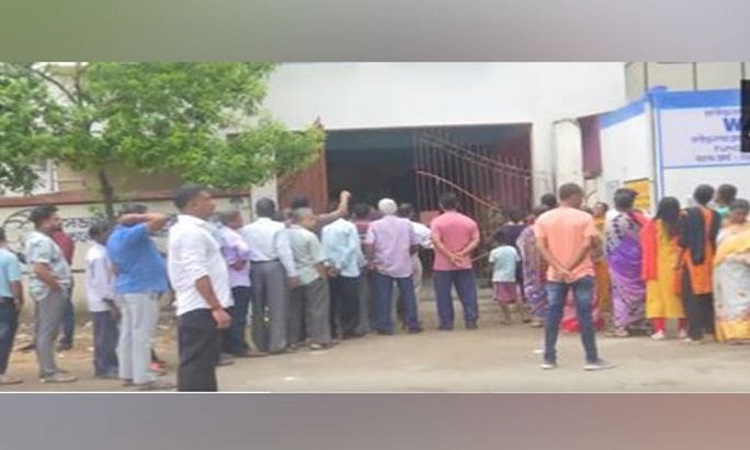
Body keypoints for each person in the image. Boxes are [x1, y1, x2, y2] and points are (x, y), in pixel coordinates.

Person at [534, 183, 613, 371]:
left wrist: (559, 268)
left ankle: (549, 358)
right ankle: (591, 359)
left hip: (555, 275)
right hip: (581, 272)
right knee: (584, 314)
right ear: (575, 196)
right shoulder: (585, 217)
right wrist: (569, 268)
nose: (583, 200)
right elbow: (587, 245)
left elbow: (540, 247)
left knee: (553, 315)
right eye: (581, 197)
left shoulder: (543, 219)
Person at [167, 185, 232, 391]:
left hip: (202, 306)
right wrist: (216, 307)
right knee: (197, 364)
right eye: (208, 199)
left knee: (204, 363)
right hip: (199, 306)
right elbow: (197, 272)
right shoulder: (190, 233)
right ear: (194, 204)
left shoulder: (195, 230)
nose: (213, 203)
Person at [107, 204, 173, 390]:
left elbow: (114, 267)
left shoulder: (114, 236)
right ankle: (144, 377)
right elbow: (162, 217)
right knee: (142, 334)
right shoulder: (132, 233)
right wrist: (136, 217)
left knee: (129, 333)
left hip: (128, 288)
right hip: (142, 289)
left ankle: (128, 373)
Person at [24, 205, 77, 383]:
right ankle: (49, 371)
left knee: (43, 330)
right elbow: (40, 269)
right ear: (44, 221)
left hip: (44, 289)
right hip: (49, 291)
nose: (58, 222)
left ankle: (48, 367)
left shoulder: (38, 239)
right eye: (54, 219)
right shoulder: (43, 242)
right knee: (48, 331)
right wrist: (56, 286)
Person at [241, 198, 298, 354]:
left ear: (256, 211)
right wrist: (292, 273)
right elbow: (283, 251)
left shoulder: (246, 229)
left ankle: (260, 343)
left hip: (254, 267)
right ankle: (277, 343)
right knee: (277, 306)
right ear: (273, 211)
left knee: (257, 307)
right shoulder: (278, 227)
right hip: (273, 265)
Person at [364, 198, 423, 335]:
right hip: (403, 264)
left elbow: (369, 244)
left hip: (383, 265)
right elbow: (414, 243)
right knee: (408, 295)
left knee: (384, 295)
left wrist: (371, 261)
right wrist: (406, 255)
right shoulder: (406, 223)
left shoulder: (374, 225)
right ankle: (412, 323)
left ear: (380, 211)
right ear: (395, 209)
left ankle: (384, 325)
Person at [286, 208, 337, 350]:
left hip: (294, 276)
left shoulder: (286, 234)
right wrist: (323, 275)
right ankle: (318, 339)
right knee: (317, 308)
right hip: (312, 275)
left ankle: (294, 340)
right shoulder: (309, 236)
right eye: (311, 219)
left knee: (294, 309)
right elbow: (318, 260)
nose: (314, 221)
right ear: (304, 219)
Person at [430, 192, 481, 331]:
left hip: (442, 264)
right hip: (464, 263)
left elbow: (436, 241)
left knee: (443, 294)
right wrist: (462, 253)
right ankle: (471, 320)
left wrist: (450, 255)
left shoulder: (437, 222)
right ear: (457, 204)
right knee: (468, 293)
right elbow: (476, 240)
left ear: (441, 205)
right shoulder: (469, 221)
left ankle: (446, 322)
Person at [678, 184, 721, 344]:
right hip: (711, 257)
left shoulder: (687, 214)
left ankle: (695, 333)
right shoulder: (715, 215)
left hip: (692, 258)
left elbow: (683, 240)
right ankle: (711, 329)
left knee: (691, 296)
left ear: (695, 196)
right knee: (708, 294)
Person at [604, 188, 649, 337]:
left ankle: (621, 325)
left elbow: (607, 243)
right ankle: (638, 321)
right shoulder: (640, 218)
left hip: (618, 261)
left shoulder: (611, 220)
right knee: (640, 290)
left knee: (620, 293)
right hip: (638, 259)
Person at [640, 197, 687, 340]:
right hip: (677, 265)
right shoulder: (682, 222)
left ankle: (660, 330)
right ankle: (683, 329)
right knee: (680, 298)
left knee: (657, 299)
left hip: (657, 266)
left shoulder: (652, 224)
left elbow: (644, 243)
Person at [217, 210, 260, 358]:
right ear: (232, 221)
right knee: (239, 315)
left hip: (227, 280)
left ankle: (227, 346)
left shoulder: (220, 234)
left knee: (230, 312)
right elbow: (245, 249)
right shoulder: (233, 235)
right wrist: (239, 261)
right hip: (239, 279)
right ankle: (239, 347)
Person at [322, 205, 365, 340]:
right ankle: (349, 329)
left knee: (333, 301)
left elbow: (324, 248)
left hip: (331, 270)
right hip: (349, 269)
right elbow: (353, 248)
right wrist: (360, 263)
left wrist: (329, 266)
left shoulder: (326, 228)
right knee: (350, 301)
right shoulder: (349, 227)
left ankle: (333, 330)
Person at [84, 220, 119, 379]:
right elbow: (101, 282)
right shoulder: (98, 255)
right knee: (106, 336)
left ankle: (104, 365)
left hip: (102, 300)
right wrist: (111, 302)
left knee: (105, 335)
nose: (109, 235)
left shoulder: (100, 251)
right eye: (106, 232)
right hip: (103, 302)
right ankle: (105, 367)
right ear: (97, 235)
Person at [713, 199, 750, 344]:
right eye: (737, 214)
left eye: (743, 214)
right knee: (727, 303)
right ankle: (730, 333)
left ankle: (744, 333)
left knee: (743, 301)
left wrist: (740, 258)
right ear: (731, 213)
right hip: (724, 272)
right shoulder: (724, 230)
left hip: (743, 272)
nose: (739, 217)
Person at [395, 203, 432, 329]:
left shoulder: (387, 226)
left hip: (391, 261)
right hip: (411, 259)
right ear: (411, 213)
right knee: (414, 288)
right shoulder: (419, 227)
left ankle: (396, 317)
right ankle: (412, 317)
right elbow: (430, 243)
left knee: (395, 289)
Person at [516, 205, 550, 328]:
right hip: (551, 263)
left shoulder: (528, 230)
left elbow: (521, 247)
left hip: (533, 266)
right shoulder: (551, 228)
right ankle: (552, 317)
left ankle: (540, 317)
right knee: (551, 290)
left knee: (535, 290)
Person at [0, 227, 24, 385]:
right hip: (4, 302)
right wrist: (19, 299)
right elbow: (15, 282)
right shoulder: (9, 257)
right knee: (4, 338)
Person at [489, 229, 526, 324]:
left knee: (501, 299)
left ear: (495, 241)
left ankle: (507, 318)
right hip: (511, 277)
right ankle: (524, 316)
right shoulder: (512, 249)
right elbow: (517, 261)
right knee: (517, 297)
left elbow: (492, 265)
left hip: (499, 278)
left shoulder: (494, 252)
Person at [51, 226, 76, 352]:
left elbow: (62, 259)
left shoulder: (57, 240)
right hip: (62, 277)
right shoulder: (65, 239)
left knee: (65, 310)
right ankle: (64, 338)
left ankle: (66, 339)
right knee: (65, 310)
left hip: (59, 278)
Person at [352, 203, 375, 334]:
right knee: (374, 294)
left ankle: (362, 324)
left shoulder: (351, 226)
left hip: (355, 265)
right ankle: (373, 322)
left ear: (354, 214)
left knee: (360, 295)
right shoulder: (373, 226)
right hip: (371, 264)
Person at [592, 202, 612, 329]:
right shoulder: (592, 222)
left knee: (603, 285)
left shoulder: (603, 223)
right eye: (595, 207)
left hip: (602, 258)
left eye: (598, 208)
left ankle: (604, 308)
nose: (595, 209)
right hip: (594, 259)